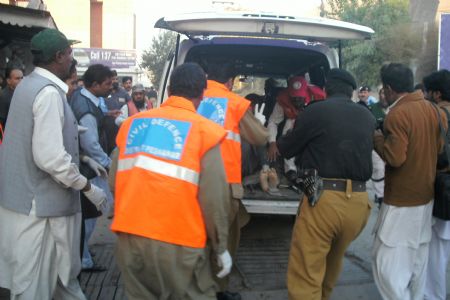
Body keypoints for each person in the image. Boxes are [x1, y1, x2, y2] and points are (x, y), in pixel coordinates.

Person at [0, 28, 107, 300]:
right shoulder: (48, 93)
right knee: (35, 288)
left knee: (63, 285)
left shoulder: (27, 84)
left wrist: (82, 157)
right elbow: (49, 157)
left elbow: (35, 140)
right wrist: (87, 187)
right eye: (70, 54)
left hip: (26, 205)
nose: (73, 61)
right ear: (59, 56)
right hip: (41, 211)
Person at [112, 62, 232, 299]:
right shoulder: (204, 132)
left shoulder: (132, 125)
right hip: (179, 242)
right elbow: (214, 200)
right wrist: (220, 246)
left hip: (131, 237)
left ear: (168, 91)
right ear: (202, 96)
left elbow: (114, 180)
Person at [277, 68, 375, 300]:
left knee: (306, 274)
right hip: (359, 203)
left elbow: (287, 149)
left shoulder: (316, 111)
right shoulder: (368, 116)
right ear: (351, 91)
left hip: (323, 200)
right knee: (331, 268)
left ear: (326, 89)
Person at [372, 63, 446, 300]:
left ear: (389, 88)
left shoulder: (398, 114)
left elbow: (395, 157)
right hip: (426, 198)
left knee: (387, 266)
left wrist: (377, 138)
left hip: (402, 201)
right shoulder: (436, 111)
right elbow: (440, 148)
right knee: (417, 262)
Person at [197, 61, 268, 300]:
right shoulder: (234, 102)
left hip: (189, 178)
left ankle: (194, 284)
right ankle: (218, 290)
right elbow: (260, 138)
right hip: (224, 182)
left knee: (196, 233)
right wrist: (259, 122)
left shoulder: (190, 97)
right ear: (230, 82)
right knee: (223, 235)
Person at [70, 64, 114, 272]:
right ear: (94, 85)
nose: (110, 87)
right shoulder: (86, 109)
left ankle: (83, 253)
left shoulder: (85, 99)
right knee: (90, 215)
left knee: (88, 214)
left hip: (86, 165)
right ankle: (83, 259)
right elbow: (91, 143)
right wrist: (107, 163)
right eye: (107, 84)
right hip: (89, 169)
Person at [422, 69, 450, 300]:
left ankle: (432, 294)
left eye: (428, 92)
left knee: (434, 247)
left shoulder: (437, 116)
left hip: (439, 187)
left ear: (437, 94)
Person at [267, 76, 326, 182]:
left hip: (312, 122)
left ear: (306, 93)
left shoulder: (317, 96)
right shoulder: (282, 99)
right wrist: (272, 142)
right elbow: (273, 122)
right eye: (294, 99)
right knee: (289, 126)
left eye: (300, 98)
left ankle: (312, 169)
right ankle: (290, 170)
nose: (297, 102)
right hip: (293, 121)